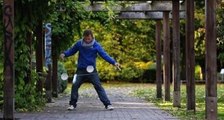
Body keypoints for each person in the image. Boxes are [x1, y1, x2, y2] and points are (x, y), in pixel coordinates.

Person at [60, 29, 120, 110]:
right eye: (86, 38)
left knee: (98, 86)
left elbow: (104, 55)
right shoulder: (79, 44)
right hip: (80, 70)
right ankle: (72, 104)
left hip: (92, 71)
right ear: (83, 37)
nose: (88, 40)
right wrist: (64, 54)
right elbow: (71, 51)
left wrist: (114, 62)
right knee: (75, 85)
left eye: (89, 39)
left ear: (92, 37)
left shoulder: (96, 45)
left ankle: (108, 104)